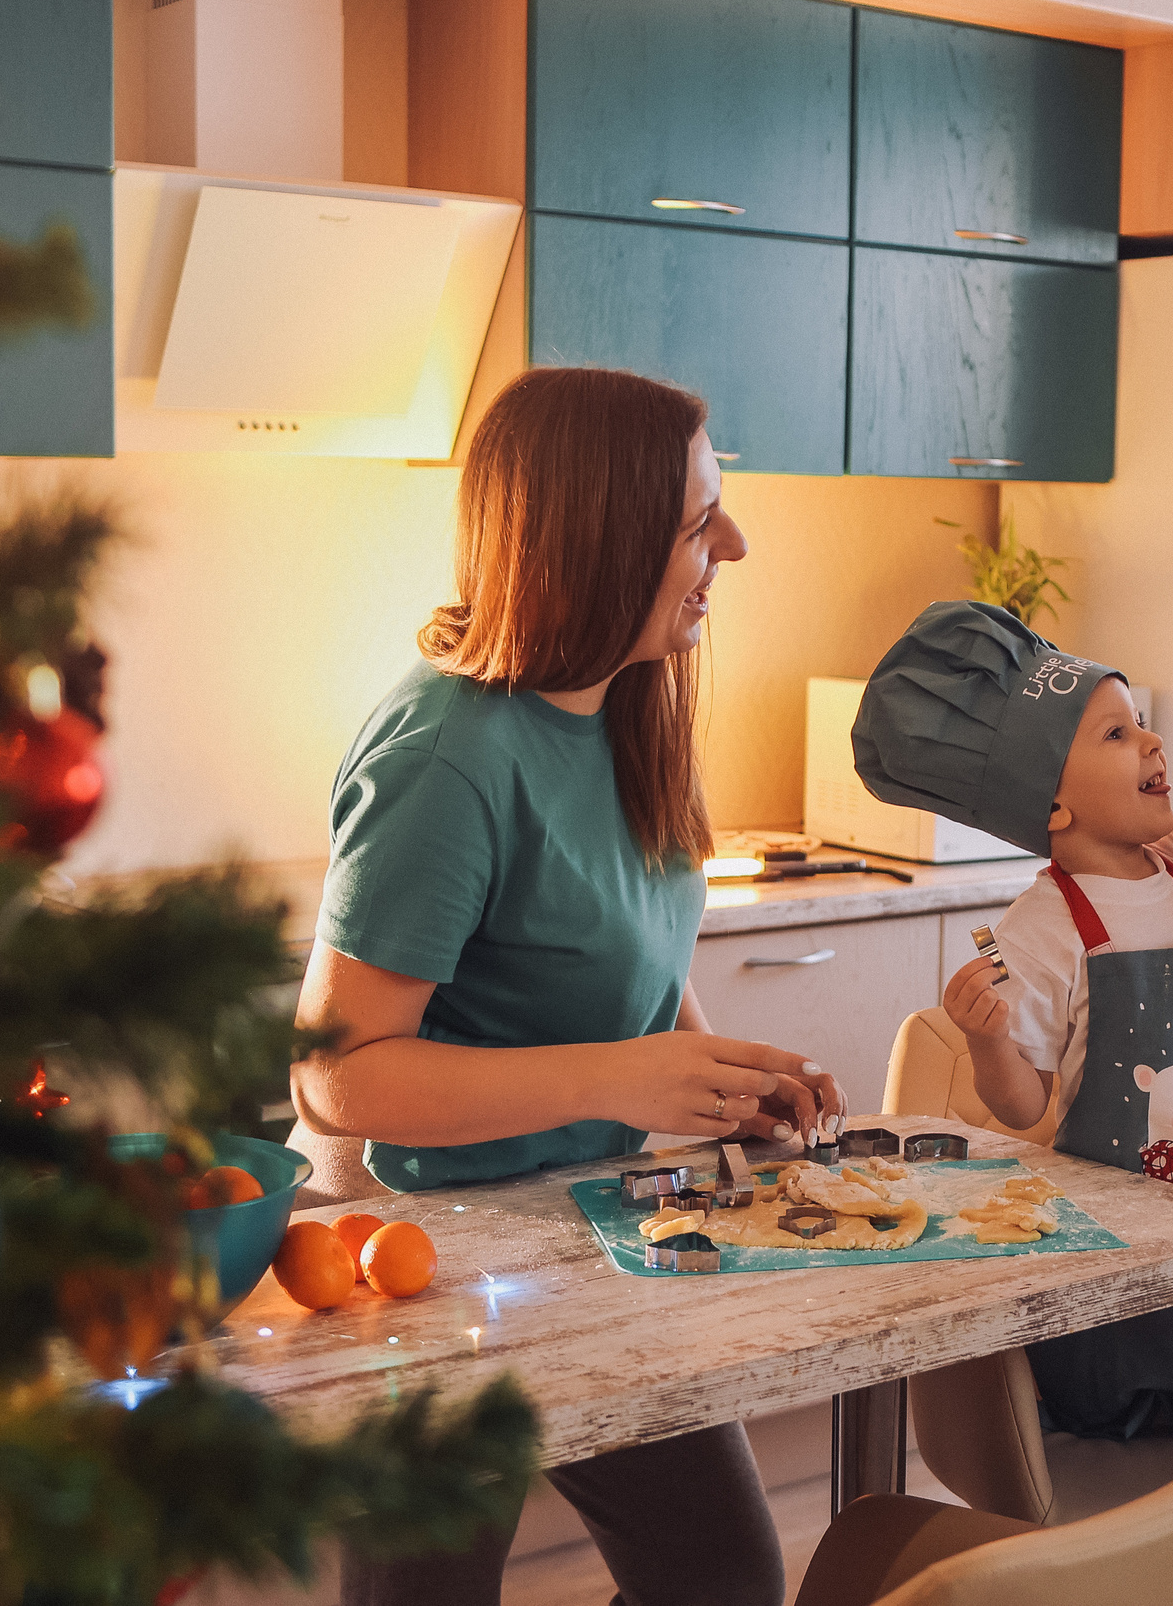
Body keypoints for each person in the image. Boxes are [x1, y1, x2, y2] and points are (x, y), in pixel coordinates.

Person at [287, 366, 844, 1606]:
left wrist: (718, 1076)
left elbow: (631, 956)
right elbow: (335, 1077)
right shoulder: (446, 754)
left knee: (719, 1577)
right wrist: (622, 1075)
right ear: (597, 537)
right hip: (419, 1246)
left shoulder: (627, 704)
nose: (734, 547)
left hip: (585, 1224)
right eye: (701, 521)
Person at [851, 583, 1173, 1450]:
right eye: (1116, 733)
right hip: (1111, 1259)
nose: (1152, 740)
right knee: (1118, 1443)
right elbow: (1021, 1105)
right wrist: (985, 1037)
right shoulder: (1037, 928)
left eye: (1141, 721)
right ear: (1053, 806)